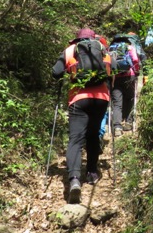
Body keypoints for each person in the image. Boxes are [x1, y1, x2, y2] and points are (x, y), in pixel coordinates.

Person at [51, 27, 111, 202]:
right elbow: (112, 70)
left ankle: (75, 179)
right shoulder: (103, 50)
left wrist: (67, 72)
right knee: (92, 136)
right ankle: (91, 172)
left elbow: (55, 73)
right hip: (101, 98)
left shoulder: (70, 51)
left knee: (76, 139)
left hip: (78, 99)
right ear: (94, 38)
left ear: (77, 39)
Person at [109, 33, 142, 137]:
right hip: (129, 76)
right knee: (130, 98)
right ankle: (128, 122)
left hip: (115, 77)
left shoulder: (110, 49)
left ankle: (117, 126)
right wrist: (136, 71)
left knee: (117, 103)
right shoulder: (129, 47)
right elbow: (136, 60)